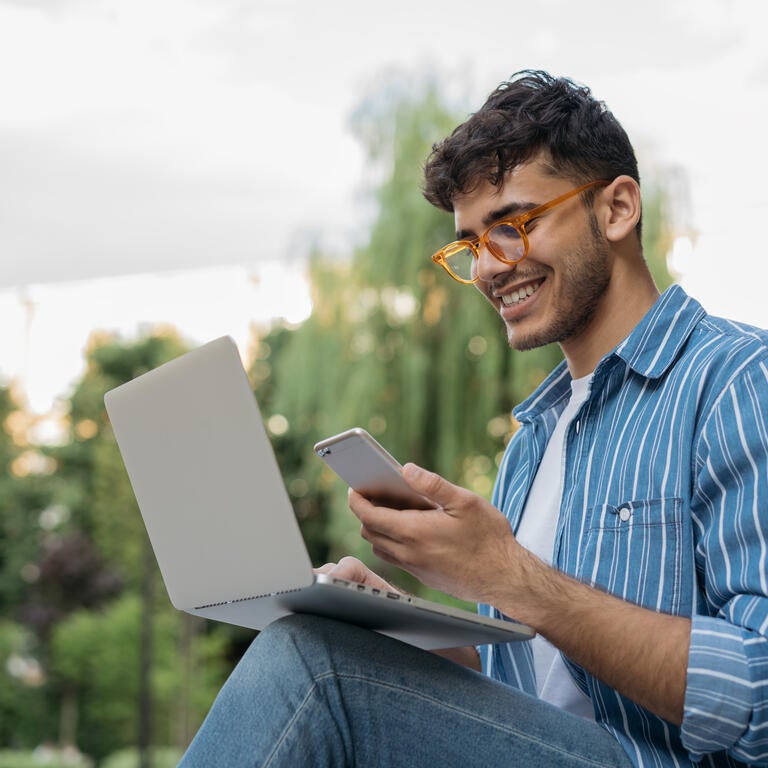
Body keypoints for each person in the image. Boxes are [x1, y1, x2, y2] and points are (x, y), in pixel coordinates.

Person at [179, 70, 768, 767]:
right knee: (328, 647)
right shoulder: (533, 442)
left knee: (313, 665)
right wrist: (399, 627)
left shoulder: (737, 381)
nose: (490, 267)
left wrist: (508, 574)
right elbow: (532, 699)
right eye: (472, 243)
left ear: (616, 209)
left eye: (514, 226)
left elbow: (757, 694)